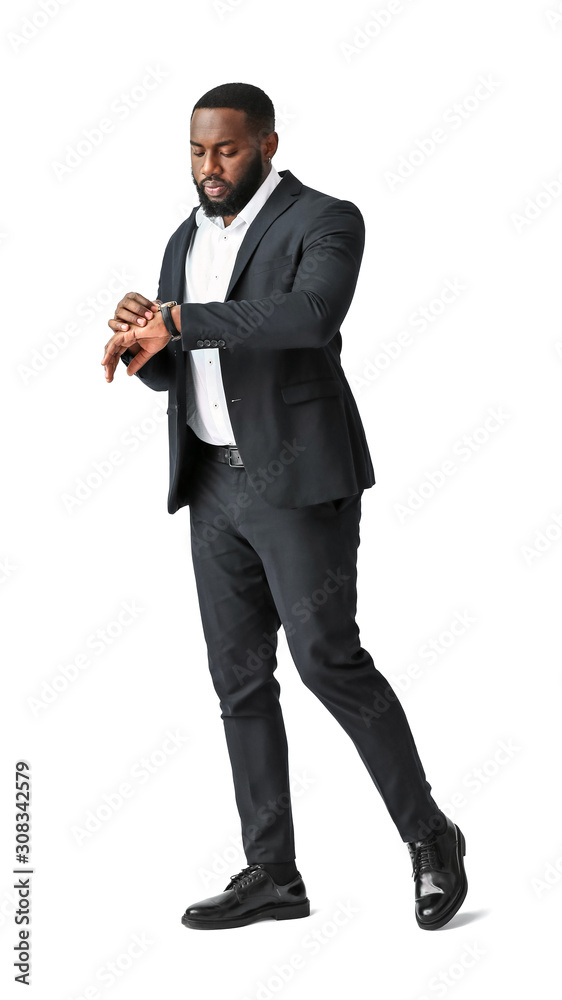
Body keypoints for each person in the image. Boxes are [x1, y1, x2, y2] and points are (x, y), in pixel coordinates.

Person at [101, 82, 467, 932]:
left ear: (266, 142)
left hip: (297, 484)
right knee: (238, 681)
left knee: (326, 661)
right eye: (196, 151)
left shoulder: (327, 218)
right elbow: (178, 360)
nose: (209, 167)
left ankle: (430, 837)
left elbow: (308, 317)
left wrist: (183, 319)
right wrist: (142, 339)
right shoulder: (182, 238)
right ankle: (272, 872)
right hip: (211, 485)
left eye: (225, 149)